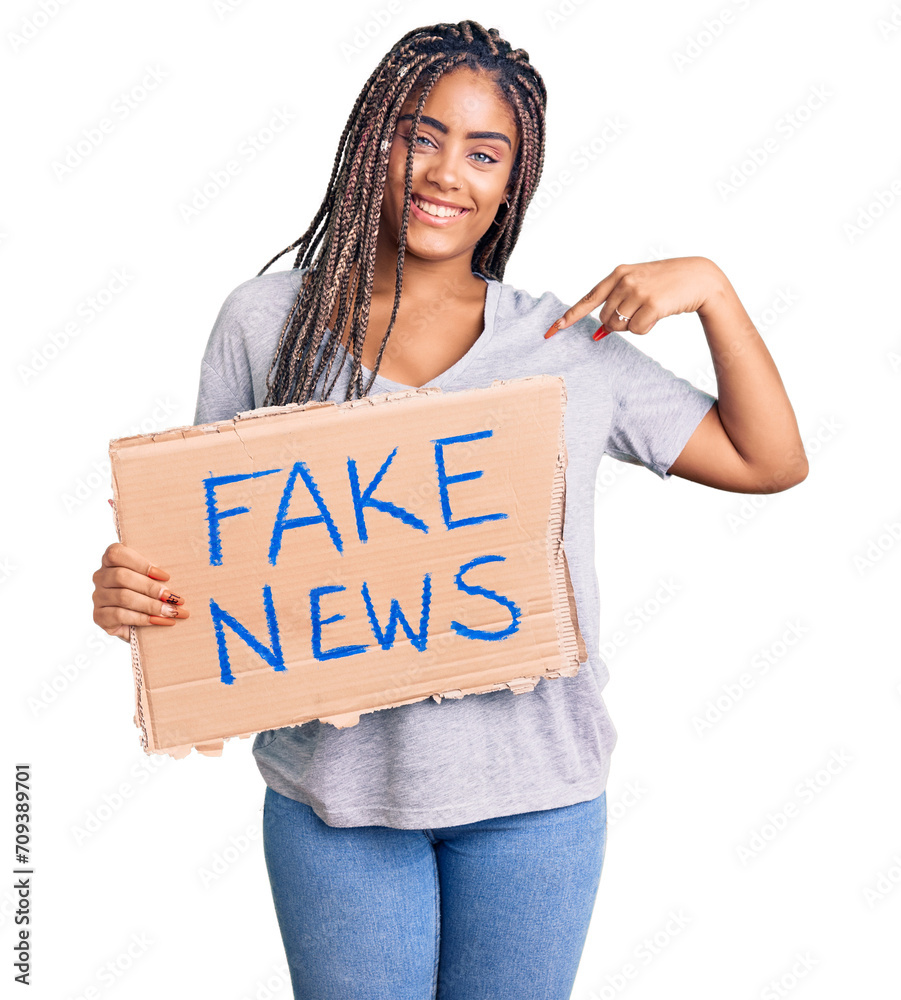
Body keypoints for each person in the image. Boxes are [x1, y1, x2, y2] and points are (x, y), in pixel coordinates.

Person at [91, 20, 808, 1000]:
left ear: (511, 182)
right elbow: (204, 558)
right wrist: (132, 592)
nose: (445, 173)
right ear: (370, 140)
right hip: (335, 801)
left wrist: (716, 294)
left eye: (484, 152)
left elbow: (768, 459)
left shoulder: (565, 343)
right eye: (419, 134)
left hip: (538, 803)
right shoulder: (262, 324)